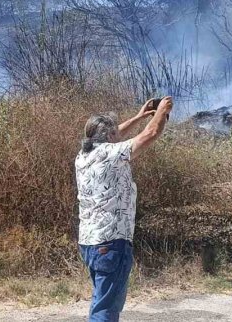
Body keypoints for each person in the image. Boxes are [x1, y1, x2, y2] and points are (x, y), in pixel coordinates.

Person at [75, 97, 173, 321]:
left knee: (102, 300)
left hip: (91, 243)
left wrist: (139, 116)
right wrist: (162, 110)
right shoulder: (112, 154)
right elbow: (150, 134)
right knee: (106, 309)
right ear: (109, 136)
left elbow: (113, 132)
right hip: (111, 244)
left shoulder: (83, 155)